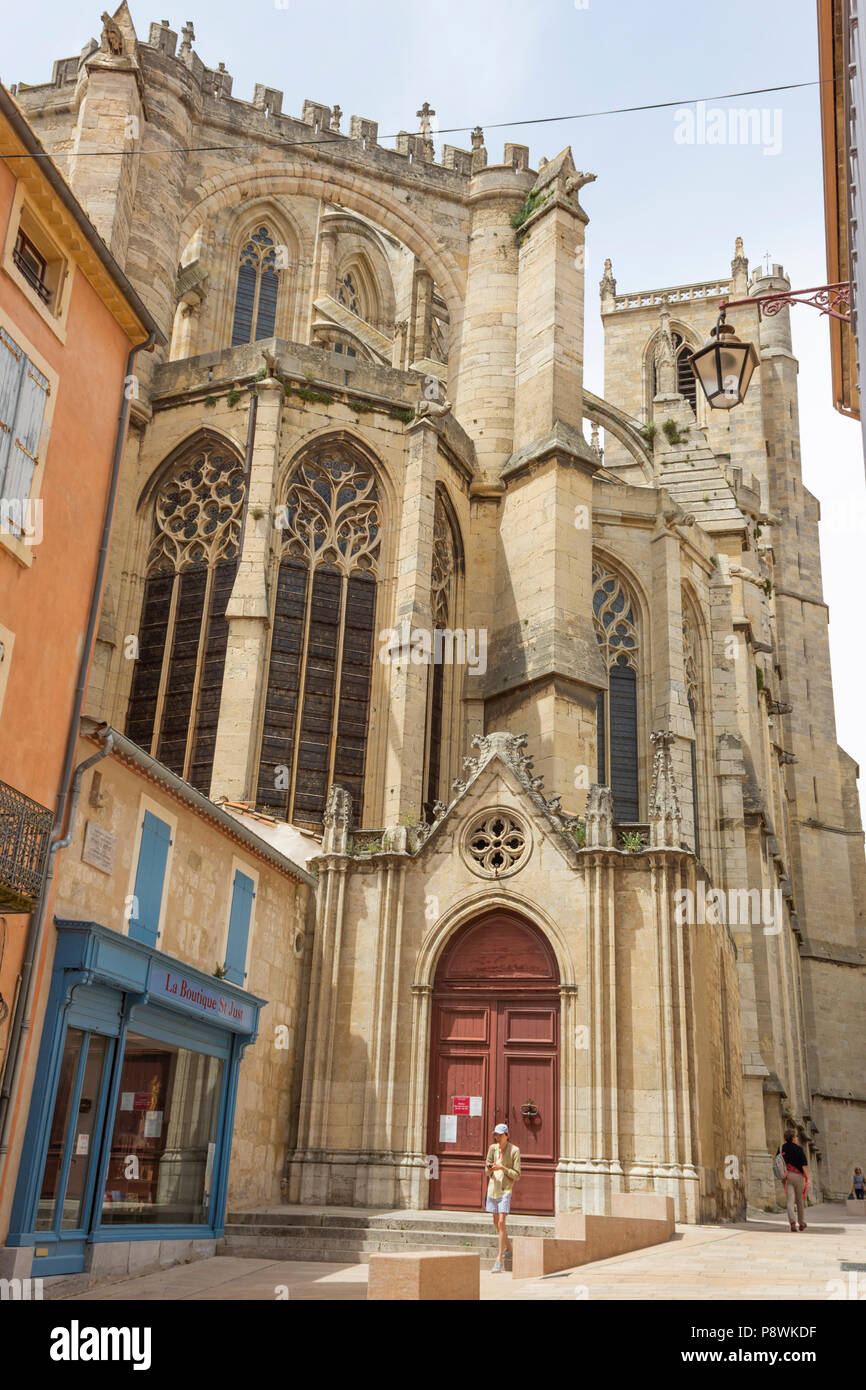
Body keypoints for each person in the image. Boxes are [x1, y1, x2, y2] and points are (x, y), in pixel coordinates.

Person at [485, 1122, 521, 1272]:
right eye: (496, 1135)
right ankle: (511, 1250)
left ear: (507, 1135)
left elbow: (517, 1174)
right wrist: (490, 1169)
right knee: (496, 1223)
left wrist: (503, 1168)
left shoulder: (514, 1151)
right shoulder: (492, 1149)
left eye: (500, 1135)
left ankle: (498, 1260)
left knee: (501, 1222)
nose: (497, 1137)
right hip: (493, 1189)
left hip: (505, 1190)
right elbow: (486, 1168)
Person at [779, 1128, 809, 1231]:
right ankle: (801, 1223)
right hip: (798, 1177)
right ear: (792, 1138)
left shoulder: (781, 1148)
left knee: (790, 1200)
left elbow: (778, 1162)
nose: (797, 1138)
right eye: (796, 1137)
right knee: (799, 1201)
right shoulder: (799, 1149)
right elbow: (804, 1166)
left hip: (786, 1176)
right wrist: (807, 1178)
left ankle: (792, 1222)